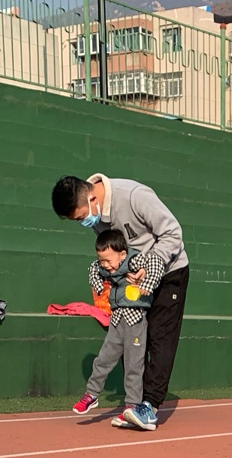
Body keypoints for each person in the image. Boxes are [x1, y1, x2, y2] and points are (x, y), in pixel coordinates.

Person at [52, 173, 189, 432]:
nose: (84, 223)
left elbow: (173, 233)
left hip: (169, 271)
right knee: (132, 337)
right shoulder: (97, 218)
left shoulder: (134, 196)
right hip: (132, 282)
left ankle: (149, 406)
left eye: (81, 218)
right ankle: (134, 404)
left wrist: (152, 265)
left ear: (92, 198)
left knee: (160, 338)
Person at [72, 228, 165, 427]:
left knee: (134, 365)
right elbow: (93, 267)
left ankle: (132, 407)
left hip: (135, 320)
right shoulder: (106, 266)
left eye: (108, 260)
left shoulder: (132, 261)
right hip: (117, 320)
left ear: (122, 254)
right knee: (103, 359)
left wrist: (148, 283)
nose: (105, 265)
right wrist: (98, 284)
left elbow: (156, 262)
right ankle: (91, 394)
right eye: (102, 261)